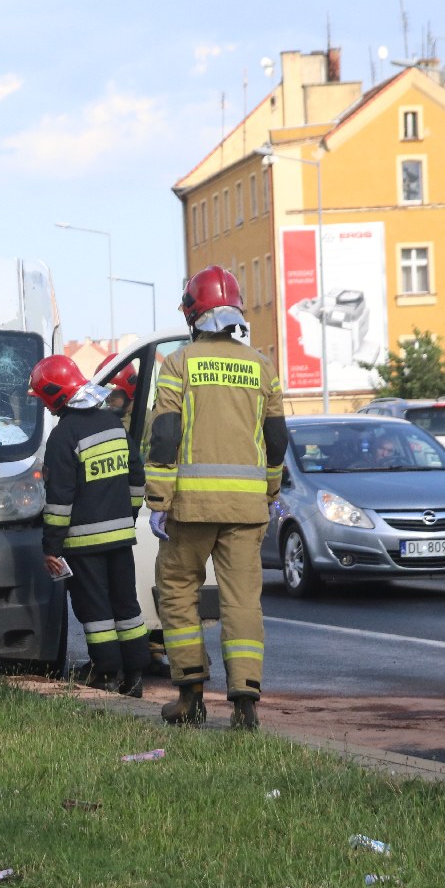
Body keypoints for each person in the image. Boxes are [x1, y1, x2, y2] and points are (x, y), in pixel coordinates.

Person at [145, 266, 287, 731]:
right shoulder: (263, 366)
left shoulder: (179, 363)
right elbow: (276, 438)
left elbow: (164, 436)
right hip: (247, 511)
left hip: (192, 508)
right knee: (243, 602)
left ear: (193, 313)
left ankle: (189, 695)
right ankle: (245, 702)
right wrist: (269, 491)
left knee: (178, 591)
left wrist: (158, 500)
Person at [31, 355, 151, 695]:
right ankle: (136, 675)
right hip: (121, 539)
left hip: (83, 544)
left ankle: (107, 674)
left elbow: (59, 502)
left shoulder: (63, 436)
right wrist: (126, 516)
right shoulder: (114, 425)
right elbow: (137, 478)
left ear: (54, 395)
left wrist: (51, 548)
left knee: (96, 610)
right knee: (127, 605)